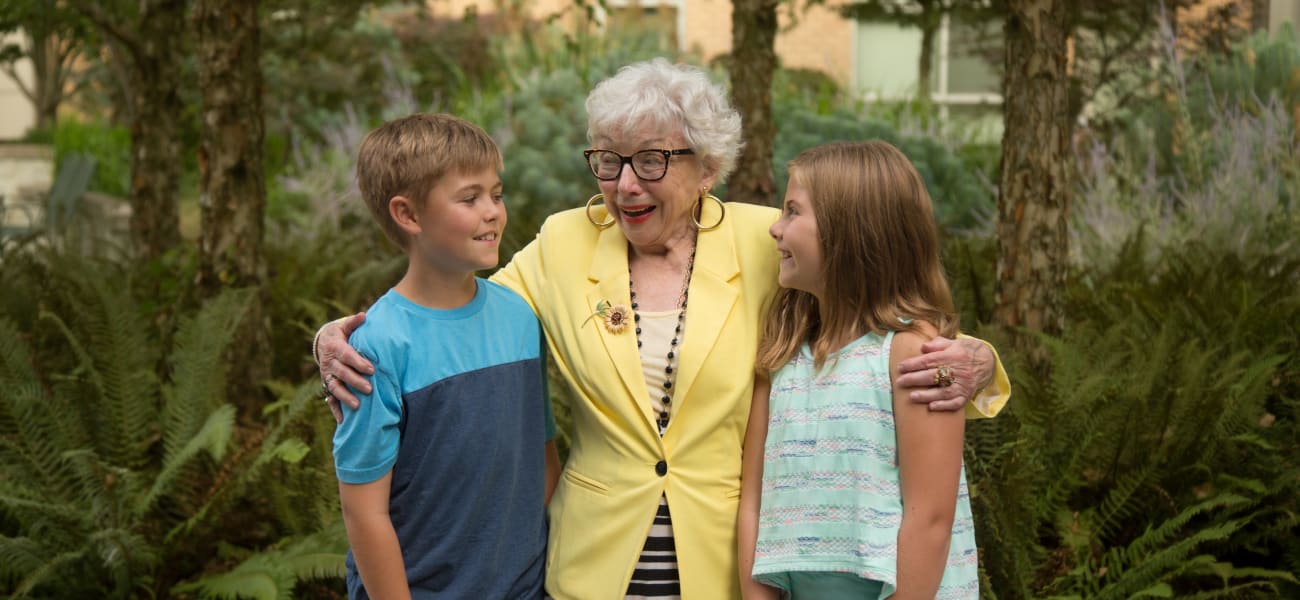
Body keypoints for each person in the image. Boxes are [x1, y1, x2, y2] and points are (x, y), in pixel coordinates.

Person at [315, 59, 1009, 599]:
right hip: (591, 561)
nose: (624, 185)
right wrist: (338, 334)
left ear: (707, 166)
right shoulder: (564, 244)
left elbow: (872, 295)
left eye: (651, 161)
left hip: (729, 565)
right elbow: (453, 312)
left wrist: (975, 357)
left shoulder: (765, 240)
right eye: (609, 161)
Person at [331, 112, 560, 600]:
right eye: (469, 198)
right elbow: (363, 511)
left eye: (496, 194)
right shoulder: (377, 346)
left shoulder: (520, 318)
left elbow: (541, 458)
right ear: (408, 215)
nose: (493, 211)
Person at [738, 141, 980, 599]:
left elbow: (929, 521)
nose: (774, 227)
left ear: (848, 232)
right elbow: (753, 503)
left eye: (792, 212)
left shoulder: (916, 356)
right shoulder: (783, 357)